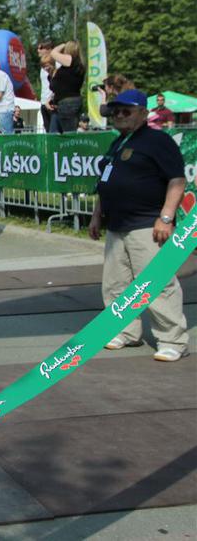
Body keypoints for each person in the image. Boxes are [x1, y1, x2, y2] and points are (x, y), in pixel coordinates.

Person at [88, 89, 190, 362]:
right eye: (116, 111)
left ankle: (173, 340)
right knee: (115, 284)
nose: (119, 116)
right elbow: (105, 182)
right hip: (117, 224)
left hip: (147, 222)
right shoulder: (118, 142)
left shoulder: (158, 140)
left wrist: (166, 217)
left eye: (126, 111)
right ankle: (124, 331)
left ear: (143, 113)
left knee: (156, 283)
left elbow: (177, 180)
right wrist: (97, 215)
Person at [48, 41, 85, 133]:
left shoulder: (70, 60)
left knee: (69, 134)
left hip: (67, 103)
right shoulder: (78, 65)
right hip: (66, 102)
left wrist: (63, 44)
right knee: (56, 132)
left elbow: (53, 53)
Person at [36, 40, 55, 132]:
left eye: (41, 48)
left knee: (54, 130)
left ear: (49, 49)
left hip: (51, 102)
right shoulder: (42, 66)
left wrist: (51, 98)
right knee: (48, 130)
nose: (38, 50)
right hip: (43, 102)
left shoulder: (55, 63)